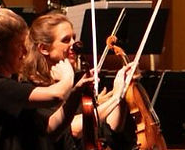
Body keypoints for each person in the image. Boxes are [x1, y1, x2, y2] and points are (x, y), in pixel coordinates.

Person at [0, 7, 88, 150]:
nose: (24, 52)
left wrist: (76, 93)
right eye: (19, 45)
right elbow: (57, 95)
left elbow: (49, 129)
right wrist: (68, 75)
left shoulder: (8, 85)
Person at [22, 12, 132, 148]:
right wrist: (114, 97)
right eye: (66, 40)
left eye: (74, 38)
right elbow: (74, 129)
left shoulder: (77, 81)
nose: (74, 45)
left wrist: (123, 91)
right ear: (44, 48)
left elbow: (109, 129)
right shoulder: (31, 90)